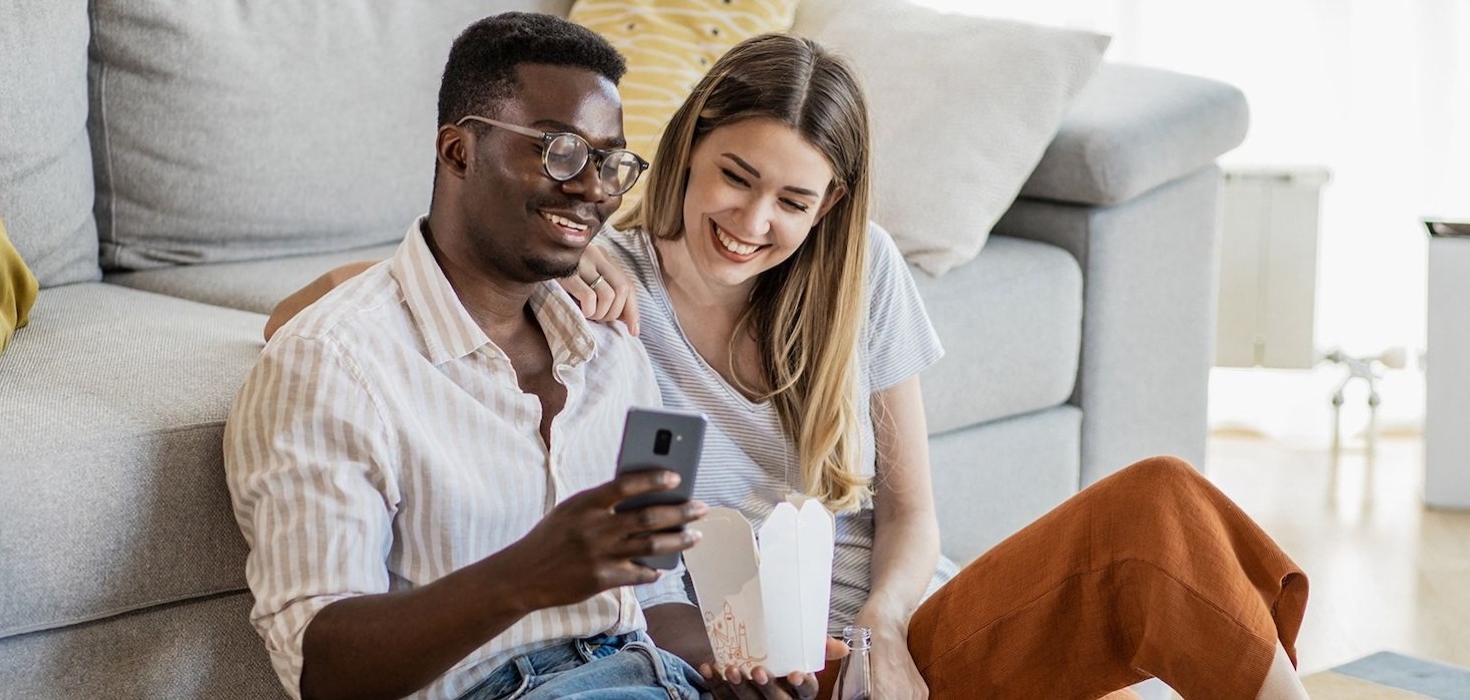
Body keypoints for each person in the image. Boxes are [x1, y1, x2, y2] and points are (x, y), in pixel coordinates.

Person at [270, 34, 1312, 700]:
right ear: (691, 146)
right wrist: (575, 253)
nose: (754, 221)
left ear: (830, 211)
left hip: (899, 641)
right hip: (754, 665)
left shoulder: (861, 276)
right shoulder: (599, 287)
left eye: (795, 203)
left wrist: (886, 629)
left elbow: (913, 515)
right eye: (736, 177)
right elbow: (330, 308)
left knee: (1160, 512)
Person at [226, 14, 837, 700]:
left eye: (610, 164)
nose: (594, 188)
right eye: (561, 152)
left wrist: (732, 670)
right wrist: (525, 576)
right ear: (458, 152)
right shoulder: (332, 366)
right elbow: (324, 671)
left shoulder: (612, 347)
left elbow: (656, 596)